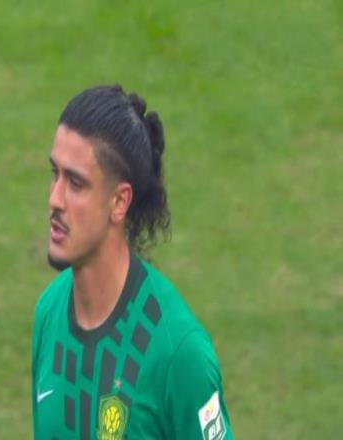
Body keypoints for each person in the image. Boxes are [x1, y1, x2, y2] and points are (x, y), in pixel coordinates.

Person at [32, 85, 233, 439]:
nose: (55, 199)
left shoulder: (179, 352)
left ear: (119, 202)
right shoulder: (50, 312)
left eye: (75, 183)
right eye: (55, 174)